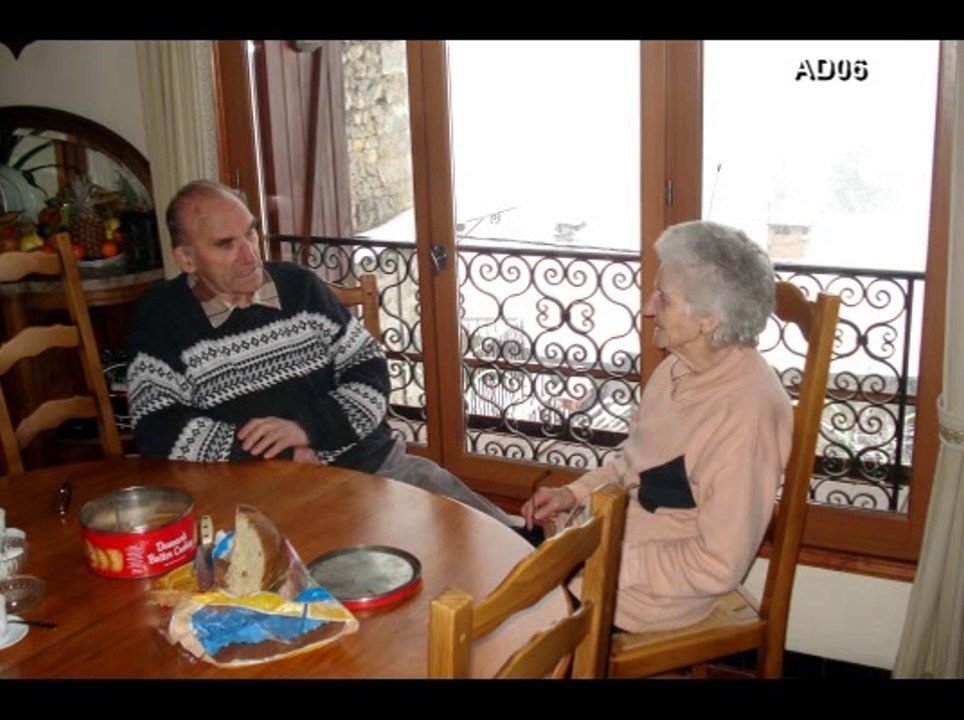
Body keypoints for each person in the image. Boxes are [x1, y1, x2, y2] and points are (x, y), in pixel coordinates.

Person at [126, 179, 517, 527]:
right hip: (257, 496)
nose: (250, 255)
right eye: (226, 244)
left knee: (489, 535)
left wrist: (305, 427)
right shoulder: (162, 316)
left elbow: (370, 374)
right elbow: (155, 427)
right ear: (187, 259)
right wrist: (274, 453)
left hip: (370, 467)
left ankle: (534, 547)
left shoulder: (299, 287)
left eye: (251, 233)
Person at [521, 220, 794, 633]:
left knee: (489, 629)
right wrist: (572, 494)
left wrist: (603, 558)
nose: (648, 308)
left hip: (639, 601)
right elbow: (631, 467)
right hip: (594, 554)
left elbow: (717, 566)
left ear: (707, 320)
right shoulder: (676, 369)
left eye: (663, 298)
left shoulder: (746, 423)